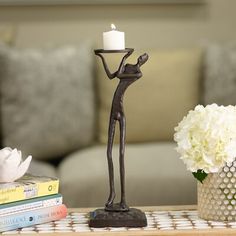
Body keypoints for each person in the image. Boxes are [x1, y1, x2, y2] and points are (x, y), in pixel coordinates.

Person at [95, 50, 149, 212]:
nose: (141, 58)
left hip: (121, 111)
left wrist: (124, 57)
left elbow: (120, 75)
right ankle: (112, 195)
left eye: (144, 58)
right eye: (142, 56)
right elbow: (112, 75)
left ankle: (123, 199)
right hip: (113, 109)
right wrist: (102, 57)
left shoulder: (137, 73)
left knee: (121, 154)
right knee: (109, 153)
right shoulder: (127, 66)